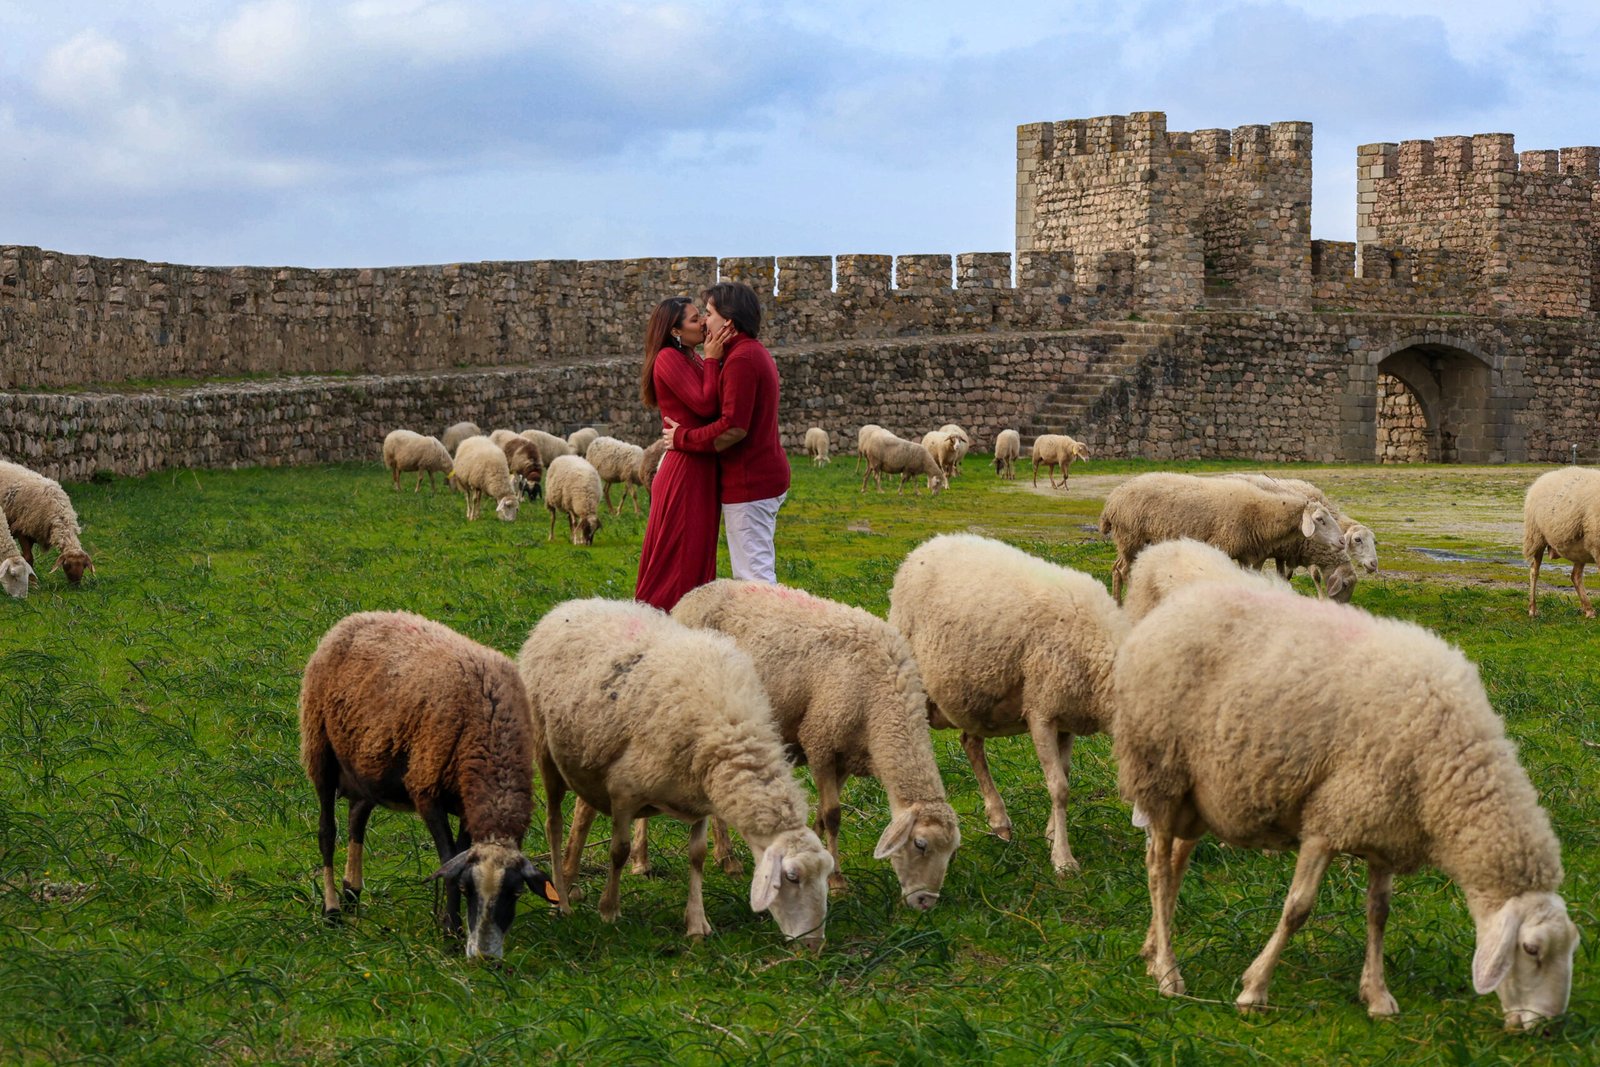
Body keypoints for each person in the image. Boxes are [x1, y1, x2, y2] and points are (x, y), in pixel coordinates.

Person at [663, 281, 789, 583]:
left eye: (708, 313)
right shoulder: (745, 354)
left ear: (728, 321)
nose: (704, 321)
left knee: (753, 578)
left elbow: (733, 428)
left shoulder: (742, 360)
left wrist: (682, 438)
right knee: (753, 572)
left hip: (750, 481)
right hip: (755, 478)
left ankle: (766, 630)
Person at [633, 297, 727, 611]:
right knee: (678, 560)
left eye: (702, 316)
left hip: (698, 468)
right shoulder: (667, 359)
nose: (702, 323)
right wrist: (713, 359)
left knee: (695, 555)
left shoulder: (691, 358)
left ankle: (687, 626)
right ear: (675, 330)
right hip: (685, 471)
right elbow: (706, 405)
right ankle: (658, 629)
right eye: (693, 319)